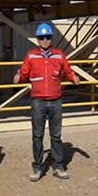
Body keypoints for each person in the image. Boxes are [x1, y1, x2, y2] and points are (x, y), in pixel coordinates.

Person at [14, 22, 79, 181]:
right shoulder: (31, 55)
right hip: (38, 101)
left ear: (51, 38)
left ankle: (58, 166)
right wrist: (19, 77)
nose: (45, 40)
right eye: (42, 37)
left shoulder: (59, 55)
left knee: (56, 135)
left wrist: (73, 78)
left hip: (55, 100)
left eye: (47, 37)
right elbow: (24, 72)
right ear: (37, 39)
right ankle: (38, 167)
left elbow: (67, 70)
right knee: (37, 135)